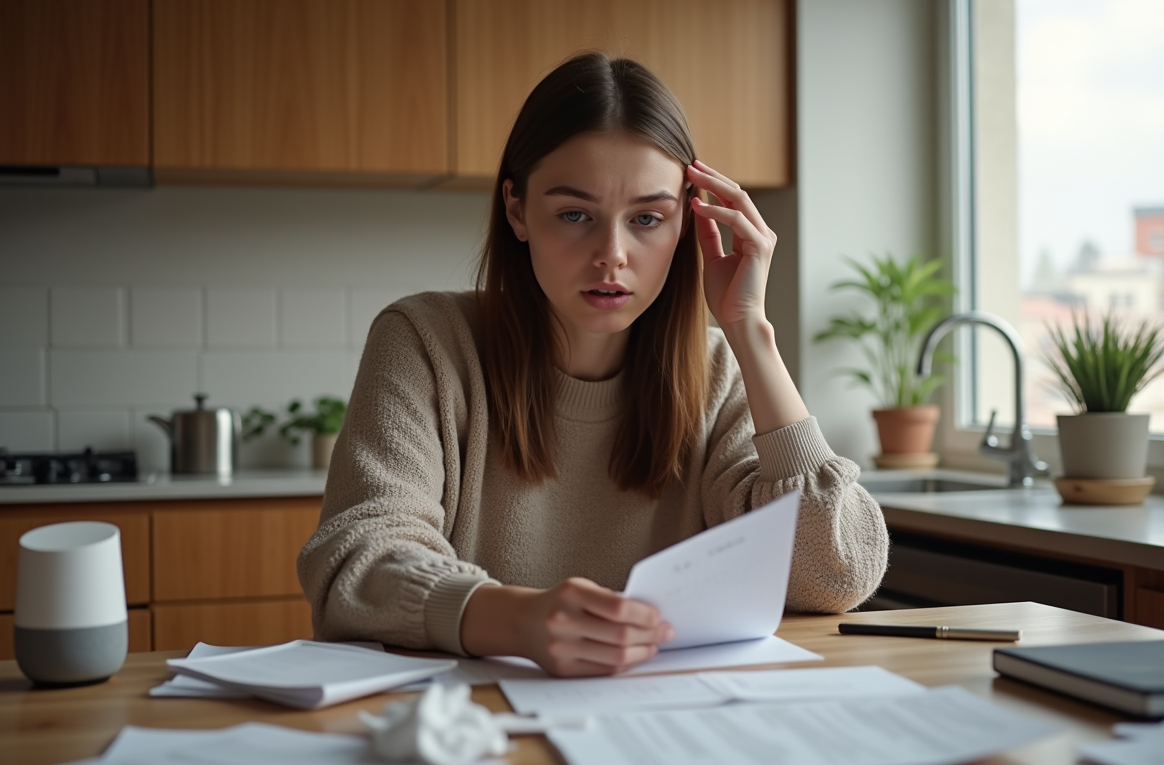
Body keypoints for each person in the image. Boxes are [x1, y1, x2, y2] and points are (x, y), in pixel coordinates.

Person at [298, 52, 888, 677]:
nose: (612, 256)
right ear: (518, 210)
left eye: (647, 219)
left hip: (661, 729)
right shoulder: (425, 342)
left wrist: (751, 333)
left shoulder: (717, 370)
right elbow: (355, 557)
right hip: (470, 728)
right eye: (575, 214)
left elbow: (836, 573)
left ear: (687, 221)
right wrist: (517, 620)